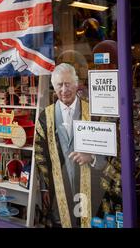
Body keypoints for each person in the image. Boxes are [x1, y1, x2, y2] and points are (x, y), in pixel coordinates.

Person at [34, 63, 107, 228]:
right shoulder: (45, 116)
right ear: (54, 86)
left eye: (68, 83)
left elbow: (108, 148)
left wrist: (93, 157)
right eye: (60, 84)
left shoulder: (94, 113)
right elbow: (40, 155)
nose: (64, 89)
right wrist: (45, 188)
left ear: (76, 84)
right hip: (59, 185)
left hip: (90, 184)